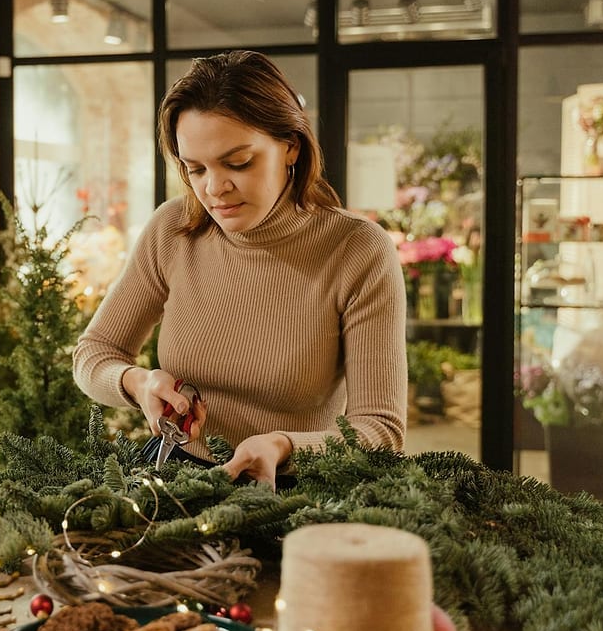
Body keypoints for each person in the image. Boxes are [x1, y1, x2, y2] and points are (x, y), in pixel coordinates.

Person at [72, 50, 407, 489]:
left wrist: (284, 446)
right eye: (195, 169)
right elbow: (93, 354)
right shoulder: (172, 229)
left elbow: (381, 431)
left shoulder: (357, 250)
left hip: (295, 491)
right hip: (177, 485)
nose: (214, 188)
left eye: (239, 162)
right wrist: (137, 383)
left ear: (291, 146)